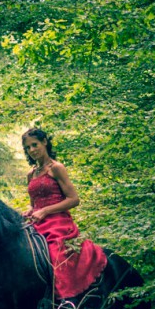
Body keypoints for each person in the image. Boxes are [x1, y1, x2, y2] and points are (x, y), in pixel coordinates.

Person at [22, 127, 108, 299]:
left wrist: (45, 210)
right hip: (37, 223)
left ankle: (66, 303)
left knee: (55, 257)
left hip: (58, 224)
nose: (32, 150)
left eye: (35, 144)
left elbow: (74, 199)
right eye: (28, 148)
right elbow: (35, 204)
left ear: (44, 142)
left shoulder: (56, 168)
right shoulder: (31, 174)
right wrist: (30, 211)